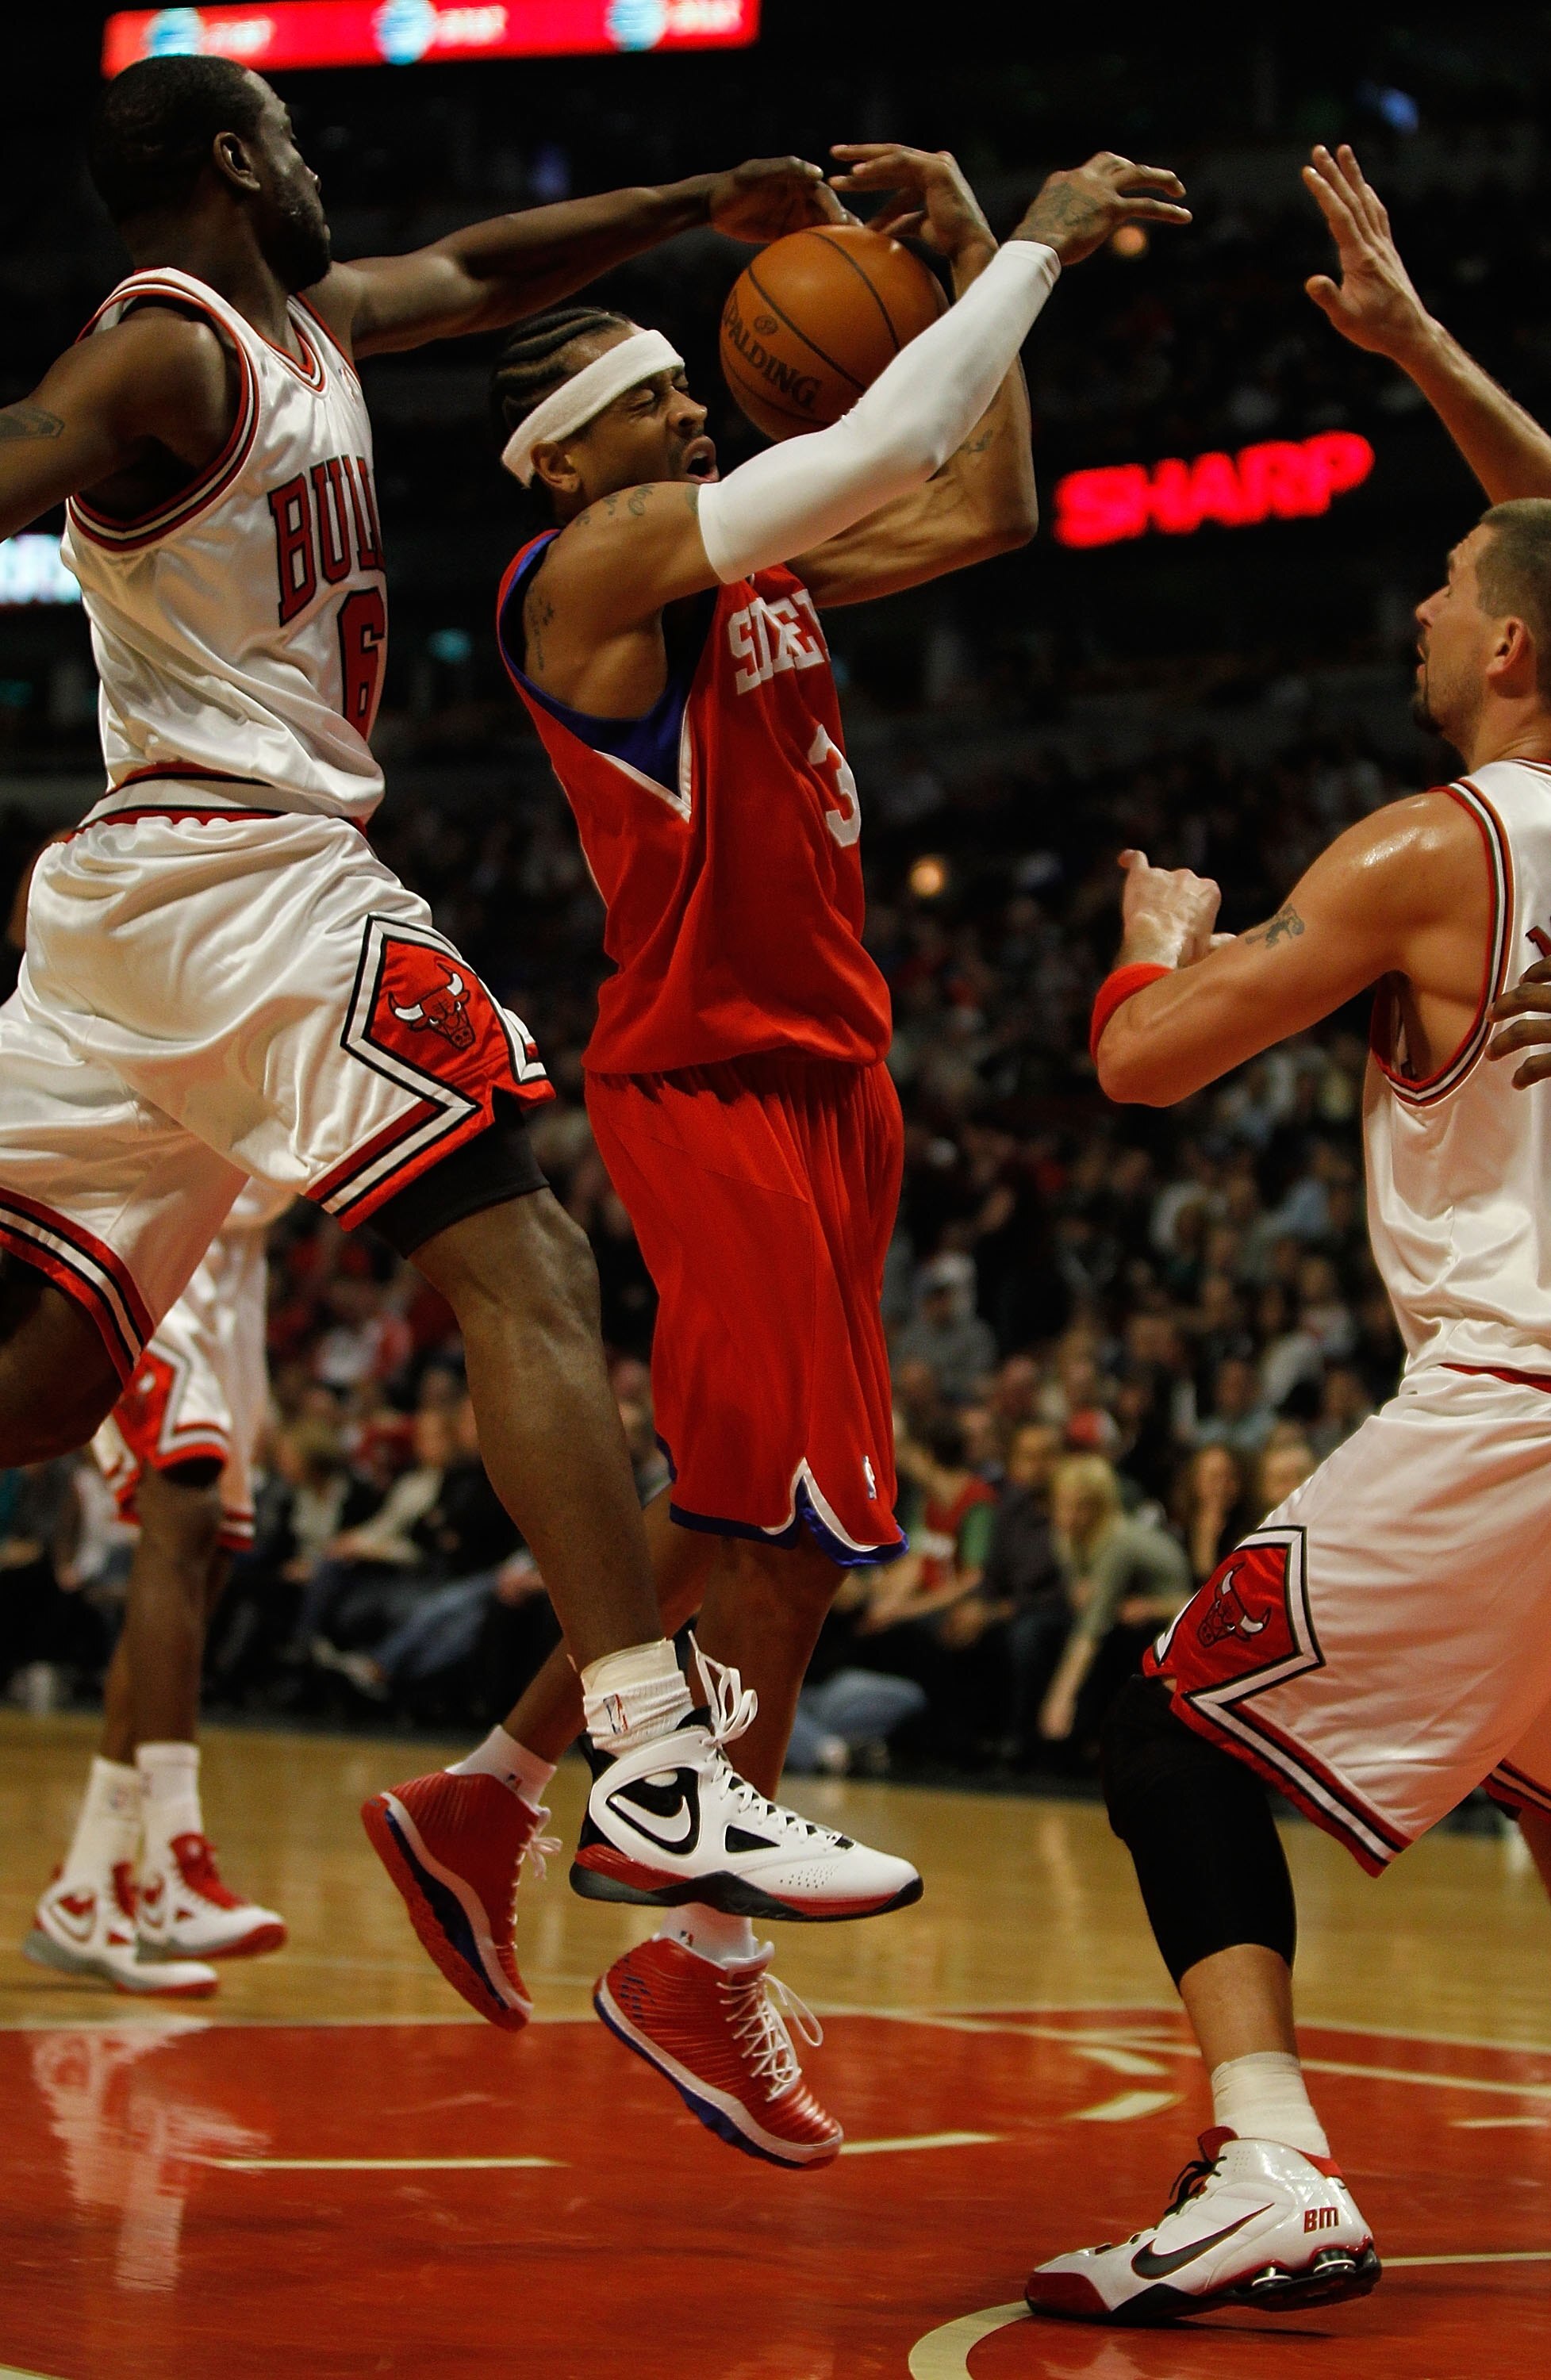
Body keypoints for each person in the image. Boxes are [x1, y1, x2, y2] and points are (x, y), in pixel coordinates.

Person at [0, 57, 907, 1971]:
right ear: (240, 162)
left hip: (129, 924)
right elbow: (23, 441)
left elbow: (479, 269)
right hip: (243, 872)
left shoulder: (301, 320)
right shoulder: (163, 355)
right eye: (301, 142)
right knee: (535, 1269)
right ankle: (656, 1761)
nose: (327, 173)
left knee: (49, 1383)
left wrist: (693, 197)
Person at [367, 143, 1191, 2166]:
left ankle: (489, 1796)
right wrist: (1017, 248)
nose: (704, 407)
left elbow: (985, 494)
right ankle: (694, 1952)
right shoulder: (581, 581)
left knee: (770, 1514)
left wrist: (939, 242)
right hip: (710, 1075)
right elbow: (900, 419)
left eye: (698, 392)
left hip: (840, 1077)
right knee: (788, 1518)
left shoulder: (754, 564)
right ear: (564, 462)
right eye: (660, 399)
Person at [1027, 499, 1551, 2323]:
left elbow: (1141, 1061)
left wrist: (1148, 936)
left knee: (1169, 1727)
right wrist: (1415, 344)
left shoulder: (1434, 847)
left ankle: (1268, 2160)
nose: (1415, 600)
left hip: (1520, 1405)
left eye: (1446, 576)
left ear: (1507, 643)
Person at [28, 1179, 288, 1998]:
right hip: (132, 1221)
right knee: (185, 1498)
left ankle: (89, 1883)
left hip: (234, 1259)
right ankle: (176, 1858)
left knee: (202, 1563)